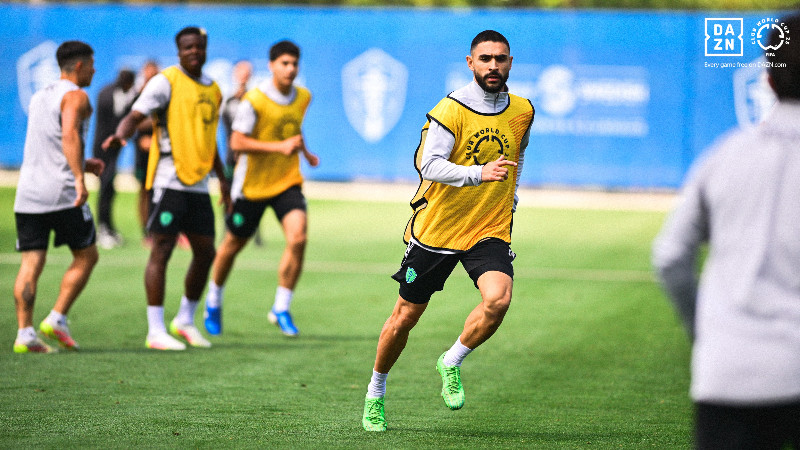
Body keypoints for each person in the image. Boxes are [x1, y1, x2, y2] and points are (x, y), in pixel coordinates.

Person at [361, 30, 534, 431]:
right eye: (486, 58)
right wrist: (478, 173)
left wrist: (511, 196)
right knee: (404, 318)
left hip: (488, 227)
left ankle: (451, 360)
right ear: (470, 63)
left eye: (501, 58)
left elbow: (517, 155)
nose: (494, 65)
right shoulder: (450, 109)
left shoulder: (523, 109)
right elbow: (429, 165)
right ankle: (375, 392)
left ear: (510, 63)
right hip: (437, 231)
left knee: (499, 300)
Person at [652, 13, 800, 449]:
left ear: (768, 81)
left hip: (728, 371)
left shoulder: (724, 158)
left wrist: (708, 331)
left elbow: (670, 258)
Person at [103, 26, 230, 351]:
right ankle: (155, 329)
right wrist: (121, 134)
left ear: (205, 48)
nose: (194, 52)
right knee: (162, 249)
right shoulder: (165, 81)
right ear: (179, 51)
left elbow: (209, 139)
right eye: (187, 47)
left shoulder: (214, 89)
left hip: (200, 184)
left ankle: (185, 320)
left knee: (206, 253)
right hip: (169, 181)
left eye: (199, 46)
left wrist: (223, 181)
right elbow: (135, 115)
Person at [204, 40, 319, 337]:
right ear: (271, 66)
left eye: (294, 63)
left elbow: (292, 128)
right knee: (232, 246)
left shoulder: (303, 97)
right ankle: (213, 301)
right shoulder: (254, 100)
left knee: (299, 237)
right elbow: (237, 142)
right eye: (284, 63)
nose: (290, 69)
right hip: (251, 186)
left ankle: (281, 307)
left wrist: (304, 153)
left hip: (287, 181)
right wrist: (278, 147)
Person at [12, 40, 104, 353]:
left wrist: (83, 161)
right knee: (87, 255)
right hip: (63, 192)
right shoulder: (77, 96)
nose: (95, 69)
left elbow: (50, 140)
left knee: (31, 263)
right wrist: (80, 177)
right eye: (92, 64)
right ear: (78, 66)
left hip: (29, 192)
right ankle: (57, 317)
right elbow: (68, 135)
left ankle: (24, 334)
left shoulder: (41, 96)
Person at [92, 68, 137, 249]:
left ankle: (108, 228)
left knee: (110, 189)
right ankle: (102, 229)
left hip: (114, 150)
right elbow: (115, 121)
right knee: (105, 188)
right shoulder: (107, 94)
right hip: (104, 149)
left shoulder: (122, 94)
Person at [132, 60, 160, 248]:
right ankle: (146, 231)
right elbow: (132, 121)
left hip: (161, 154)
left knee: (164, 192)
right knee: (144, 192)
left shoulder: (162, 96)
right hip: (143, 155)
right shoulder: (136, 96)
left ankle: (164, 230)